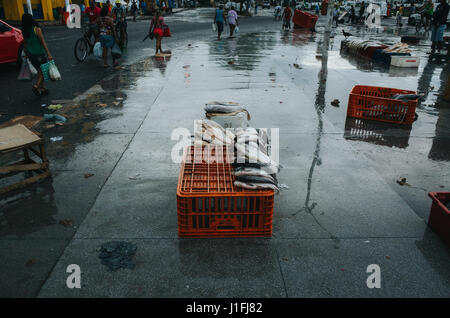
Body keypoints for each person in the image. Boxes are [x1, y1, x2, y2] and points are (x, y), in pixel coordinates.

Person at [21, 13, 53, 96]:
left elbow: (25, 43)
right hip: (39, 53)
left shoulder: (24, 30)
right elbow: (42, 42)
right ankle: (37, 86)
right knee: (44, 71)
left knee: (39, 71)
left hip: (30, 54)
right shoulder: (36, 29)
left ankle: (42, 89)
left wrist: (26, 53)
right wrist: (48, 53)